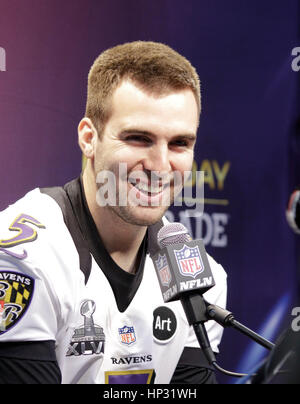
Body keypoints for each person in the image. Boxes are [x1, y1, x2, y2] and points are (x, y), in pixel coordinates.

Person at [0, 41, 227, 384]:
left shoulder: (201, 281)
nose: (160, 165)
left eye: (180, 143)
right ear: (89, 138)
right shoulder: (22, 259)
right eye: (139, 138)